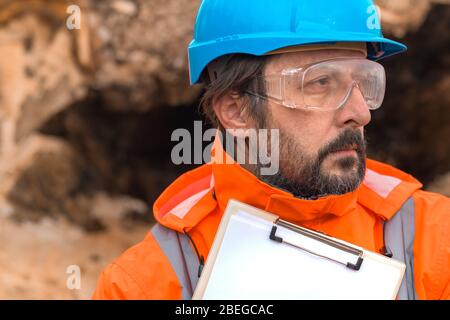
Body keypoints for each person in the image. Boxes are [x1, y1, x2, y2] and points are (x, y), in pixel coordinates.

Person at [92, 0, 450, 300]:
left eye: (364, 82)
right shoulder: (143, 285)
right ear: (236, 111)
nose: (360, 113)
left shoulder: (435, 240)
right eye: (320, 82)